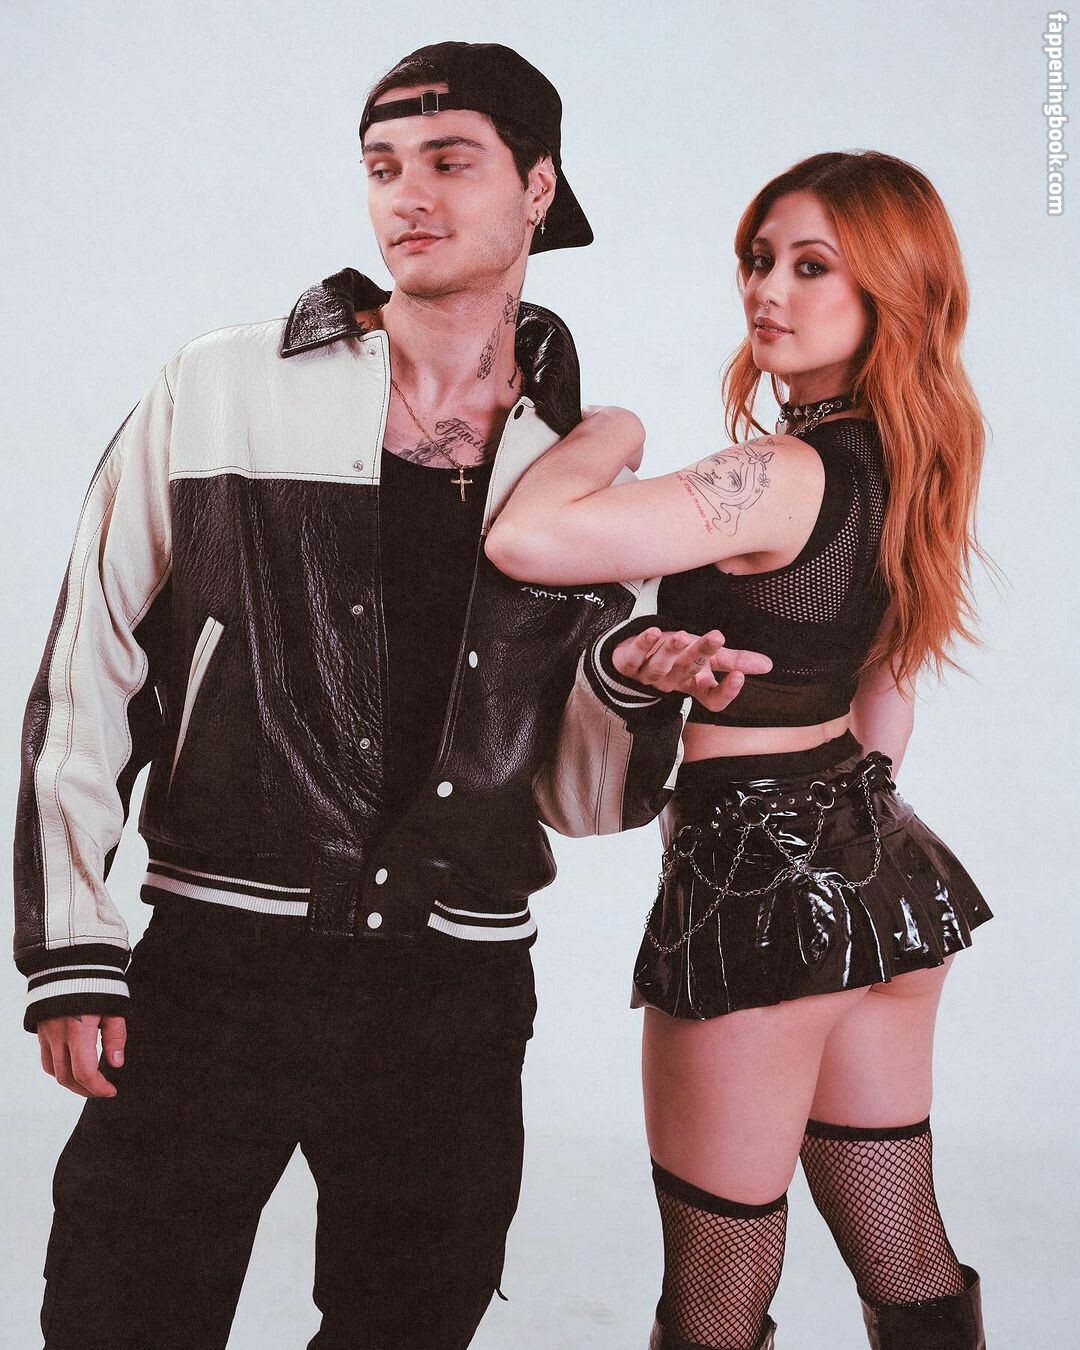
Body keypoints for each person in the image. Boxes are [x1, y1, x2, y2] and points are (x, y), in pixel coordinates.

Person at [12, 42, 770, 1350]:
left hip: (451, 989)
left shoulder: (577, 472)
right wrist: (72, 945)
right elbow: (88, 665)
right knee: (116, 1315)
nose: (407, 195)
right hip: (219, 959)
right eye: (382, 166)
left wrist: (630, 686)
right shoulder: (224, 386)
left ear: (539, 187)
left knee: (410, 1324)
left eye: (449, 161)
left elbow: (583, 800)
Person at [487, 150, 992, 1349]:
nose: (768, 289)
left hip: (756, 906)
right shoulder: (912, 461)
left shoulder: (779, 474)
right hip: (886, 886)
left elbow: (528, 538)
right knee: (906, 1259)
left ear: (891, 289)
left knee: (715, 1305)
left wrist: (611, 429)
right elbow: (887, 696)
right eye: (760, 259)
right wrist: (849, 842)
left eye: (813, 267)